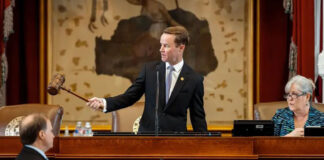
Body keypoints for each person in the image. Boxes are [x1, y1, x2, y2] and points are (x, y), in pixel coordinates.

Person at [87, 26, 207, 132]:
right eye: (161, 44)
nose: (161, 49)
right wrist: (104, 102)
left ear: (181, 48)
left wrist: (205, 148)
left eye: (166, 46)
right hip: (146, 140)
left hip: (176, 144)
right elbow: (130, 97)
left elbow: (198, 118)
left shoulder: (194, 79)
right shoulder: (150, 70)